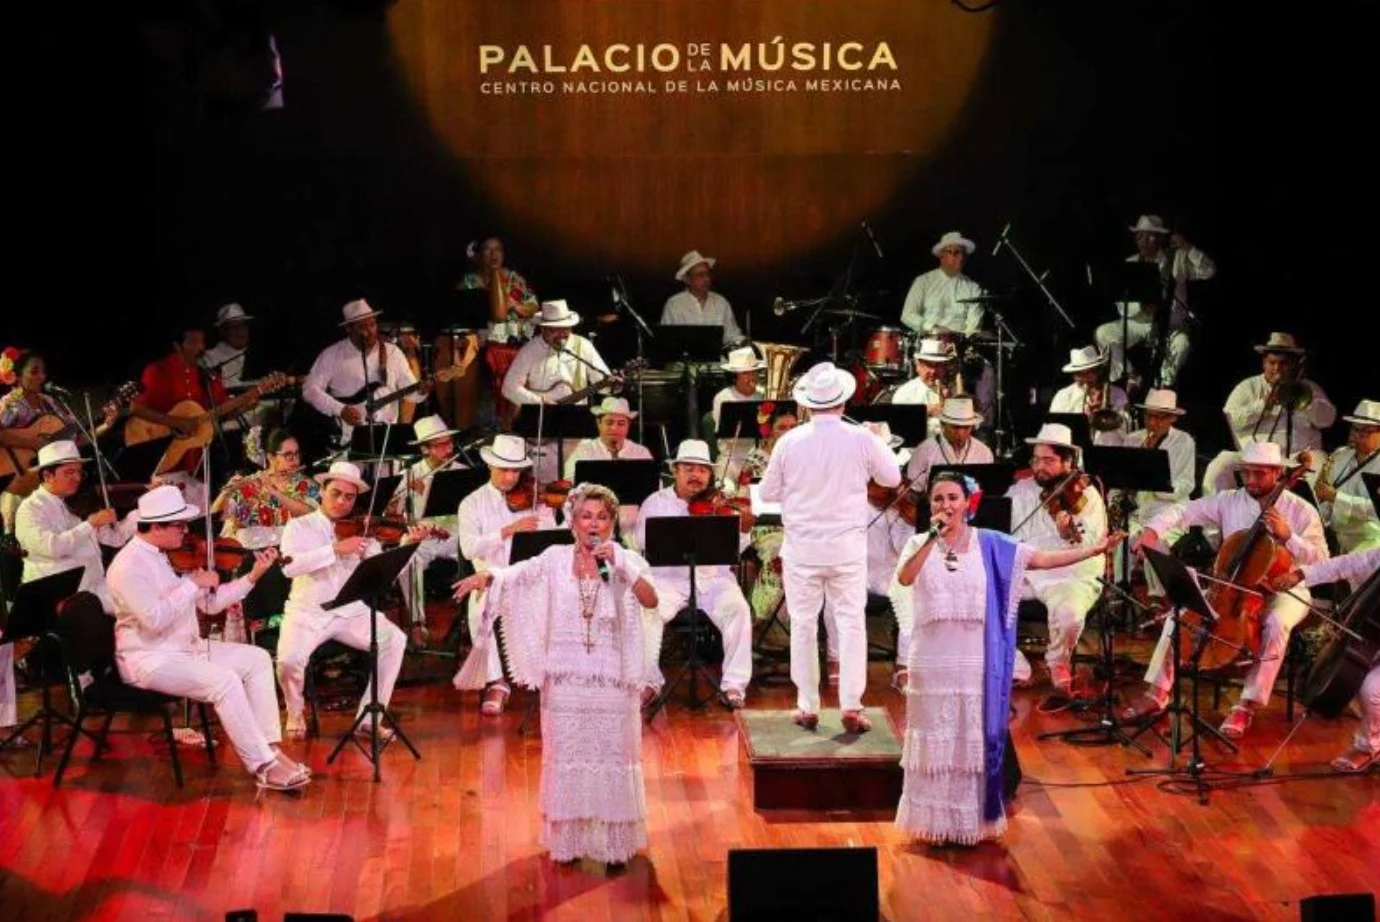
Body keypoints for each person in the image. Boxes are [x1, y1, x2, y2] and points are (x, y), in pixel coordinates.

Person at [894, 472, 1124, 845]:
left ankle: (967, 825)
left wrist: (1094, 550)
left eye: (953, 497)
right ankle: (934, 823)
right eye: (938, 499)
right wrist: (931, 538)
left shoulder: (990, 544)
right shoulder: (918, 543)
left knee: (968, 737)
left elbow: (1043, 559)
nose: (946, 505)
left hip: (973, 657)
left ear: (967, 503)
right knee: (937, 737)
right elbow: (905, 579)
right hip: (932, 659)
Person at [452, 482, 658, 869]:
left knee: (612, 757)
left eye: (601, 517)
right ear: (572, 521)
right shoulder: (553, 557)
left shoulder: (625, 559)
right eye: (585, 516)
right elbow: (516, 575)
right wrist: (488, 578)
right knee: (568, 755)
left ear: (612, 523)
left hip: (612, 678)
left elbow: (651, 600)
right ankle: (570, 842)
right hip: (564, 678)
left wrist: (623, 564)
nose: (593, 524)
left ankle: (614, 843)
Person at [107, 485, 309, 792]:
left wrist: (253, 575)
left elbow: (210, 604)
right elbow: (154, 620)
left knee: (256, 659)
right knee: (224, 681)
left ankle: (270, 748)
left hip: (186, 649)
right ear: (157, 526)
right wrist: (190, 585)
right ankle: (262, 766)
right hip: (150, 658)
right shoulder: (126, 566)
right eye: (179, 525)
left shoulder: (166, 556)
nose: (186, 531)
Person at [1126, 441, 1329, 739]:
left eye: (1259, 474)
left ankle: (1246, 704)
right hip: (1234, 588)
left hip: (1287, 587)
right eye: (1246, 473)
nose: (1251, 481)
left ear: (1278, 473)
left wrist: (1290, 539)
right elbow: (1182, 511)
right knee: (1180, 613)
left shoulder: (1301, 511)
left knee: (1276, 623)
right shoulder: (1229, 500)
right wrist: (1152, 530)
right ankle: (1158, 691)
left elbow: (1323, 561)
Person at [758, 362, 902, 733]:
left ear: (808, 405)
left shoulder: (790, 441)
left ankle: (807, 705)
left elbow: (770, 492)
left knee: (804, 625)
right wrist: (878, 443)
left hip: (803, 548)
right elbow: (892, 477)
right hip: (846, 549)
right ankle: (851, 705)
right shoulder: (861, 438)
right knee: (851, 623)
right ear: (843, 402)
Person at [277, 461, 429, 740]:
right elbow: (289, 568)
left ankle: (370, 717)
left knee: (395, 640)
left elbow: (384, 574)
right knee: (289, 661)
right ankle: (295, 709)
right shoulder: (298, 527)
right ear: (321, 491)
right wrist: (334, 549)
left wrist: (408, 547)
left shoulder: (363, 530)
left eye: (349, 497)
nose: (342, 502)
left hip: (350, 611)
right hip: (306, 612)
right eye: (335, 493)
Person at [7, 441, 137, 749]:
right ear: (47, 476)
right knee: (90, 612)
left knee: (133, 605)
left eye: (79, 472)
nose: (77, 478)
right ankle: (86, 679)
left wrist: (139, 514)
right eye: (69, 473)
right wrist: (90, 525)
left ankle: (123, 675)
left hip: (91, 587)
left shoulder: (72, 507)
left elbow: (115, 537)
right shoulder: (30, 509)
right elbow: (51, 547)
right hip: (53, 596)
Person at [636, 440, 754, 709]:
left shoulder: (721, 504)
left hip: (714, 579)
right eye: (688, 468)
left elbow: (736, 549)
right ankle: (649, 683)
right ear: (675, 471)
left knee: (738, 610)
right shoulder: (655, 503)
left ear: (710, 475)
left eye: (702, 470)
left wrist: (744, 530)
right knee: (646, 615)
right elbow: (645, 543)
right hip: (667, 580)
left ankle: (734, 686)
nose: (695, 475)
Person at [1005, 423, 1109, 712]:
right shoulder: (1020, 491)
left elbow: (1088, 543)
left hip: (1070, 573)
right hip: (1029, 569)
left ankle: (1058, 662)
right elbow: (1006, 533)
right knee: (979, 597)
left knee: (1069, 616)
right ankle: (1017, 666)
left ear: (1068, 462)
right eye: (1036, 459)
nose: (1040, 467)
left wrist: (1066, 533)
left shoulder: (1087, 497)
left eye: (1048, 460)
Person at [455, 434, 558, 715]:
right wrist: (508, 530)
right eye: (504, 469)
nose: (510, 476)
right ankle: (497, 682)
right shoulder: (471, 503)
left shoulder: (536, 497)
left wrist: (554, 511)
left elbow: (554, 541)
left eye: (515, 470)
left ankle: (552, 676)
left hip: (531, 576)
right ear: (490, 466)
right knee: (479, 612)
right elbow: (468, 548)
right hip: (491, 577)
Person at [1270, 547, 1379, 773]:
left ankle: (1368, 746)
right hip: (1373, 645)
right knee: (1358, 680)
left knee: (1371, 690)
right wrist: (1300, 574)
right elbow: (1345, 564)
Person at [1203, 332, 1337, 494]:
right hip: (1255, 456)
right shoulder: (1248, 387)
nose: (1277, 369)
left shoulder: (1309, 388)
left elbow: (1328, 420)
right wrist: (1263, 406)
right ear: (1264, 363)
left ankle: (1318, 518)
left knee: (1322, 465)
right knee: (1220, 465)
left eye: (1284, 364)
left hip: (1297, 459)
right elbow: (1233, 420)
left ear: (1293, 364)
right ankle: (1216, 516)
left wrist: (1306, 403)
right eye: (1272, 363)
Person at [0, 348, 118, 527]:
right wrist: (32, 442)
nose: (42, 377)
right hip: (16, 476)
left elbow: (76, 439)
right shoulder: (10, 404)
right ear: (17, 376)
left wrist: (106, 425)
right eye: (34, 371)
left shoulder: (50, 401)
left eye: (43, 371)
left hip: (49, 481)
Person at [1094, 215, 1216, 388]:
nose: (1141, 240)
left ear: (1159, 238)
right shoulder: (1131, 263)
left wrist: (1187, 247)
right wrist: (1141, 308)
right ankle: (1131, 377)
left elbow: (1209, 271)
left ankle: (1163, 383)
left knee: (1182, 344)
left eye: (1147, 235)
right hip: (1138, 323)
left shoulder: (1177, 258)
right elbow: (1121, 305)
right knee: (1104, 333)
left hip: (1170, 324)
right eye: (1139, 236)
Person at [301, 300, 428, 450]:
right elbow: (309, 390)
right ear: (349, 328)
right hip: (348, 439)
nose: (370, 331)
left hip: (386, 437)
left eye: (372, 324)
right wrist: (339, 409)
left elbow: (411, 395)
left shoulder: (392, 353)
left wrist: (421, 391)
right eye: (362, 327)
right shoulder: (332, 355)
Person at [388, 415, 467, 643]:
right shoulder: (411, 475)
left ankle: (467, 623)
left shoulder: (463, 471)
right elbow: (394, 514)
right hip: (427, 538)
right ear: (425, 449)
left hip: (457, 534)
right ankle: (417, 622)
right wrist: (401, 501)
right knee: (407, 558)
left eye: (449, 443)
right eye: (441, 445)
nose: (448, 448)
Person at [210, 428, 318, 549]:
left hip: (295, 550)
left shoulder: (307, 485)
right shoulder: (251, 484)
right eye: (288, 455)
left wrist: (276, 493)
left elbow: (313, 516)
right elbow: (216, 518)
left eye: (297, 454)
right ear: (271, 457)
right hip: (255, 555)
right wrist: (225, 492)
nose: (296, 460)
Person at [1307, 399, 1379, 553]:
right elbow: (1326, 501)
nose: (1356, 436)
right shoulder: (1341, 455)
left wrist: (1336, 497)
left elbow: (1375, 509)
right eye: (1354, 429)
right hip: (1336, 537)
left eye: (1365, 431)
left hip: (1369, 541)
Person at [899, 231, 985, 337]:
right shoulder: (923, 281)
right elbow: (907, 315)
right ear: (942, 255)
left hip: (959, 348)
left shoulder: (973, 288)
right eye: (955, 252)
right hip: (927, 343)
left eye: (963, 253)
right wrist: (932, 327)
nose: (961, 257)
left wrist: (962, 341)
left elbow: (974, 325)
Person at [905, 397, 994, 491]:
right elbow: (913, 490)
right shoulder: (924, 450)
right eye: (955, 427)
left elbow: (988, 488)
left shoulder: (984, 452)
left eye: (966, 427)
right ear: (943, 424)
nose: (961, 433)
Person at [1048, 346, 1130, 444]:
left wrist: (1104, 413)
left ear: (1099, 371)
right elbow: (1053, 429)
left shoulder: (1118, 394)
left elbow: (1127, 429)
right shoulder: (1063, 395)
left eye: (1090, 373)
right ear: (1074, 376)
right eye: (1080, 374)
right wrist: (1084, 417)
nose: (1085, 379)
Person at [660, 250, 743, 346]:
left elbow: (732, 336)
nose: (706, 279)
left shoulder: (721, 302)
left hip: (719, 360)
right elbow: (666, 340)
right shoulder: (674, 304)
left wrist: (744, 343)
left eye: (708, 274)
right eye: (700, 275)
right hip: (684, 360)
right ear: (687, 279)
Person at [710, 346, 765, 485]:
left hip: (759, 460)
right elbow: (726, 435)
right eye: (746, 373)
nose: (752, 377)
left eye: (754, 372)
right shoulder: (723, 397)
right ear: (734, 377)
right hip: (731, 459)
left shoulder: (763, 395)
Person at [891, 338, 959, 436]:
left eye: (938, 366)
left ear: (944, 368)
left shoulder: (950, 392)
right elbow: (898, 426)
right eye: (928, 365)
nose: (933, 371)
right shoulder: (906, 392)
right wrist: (929, 410)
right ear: (918, 366)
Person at [201, 303, 254, 389]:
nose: (240, 331)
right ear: (223, 331)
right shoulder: (210, 357)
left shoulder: (257, 354)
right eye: (234, 327)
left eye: (242, 325)